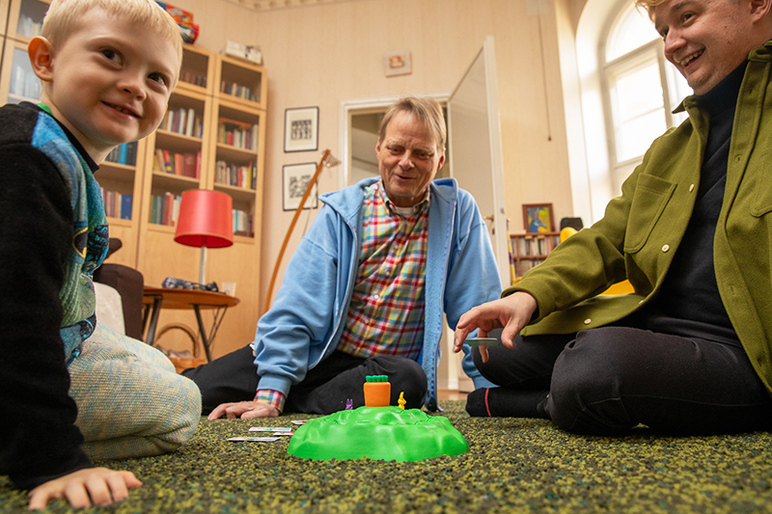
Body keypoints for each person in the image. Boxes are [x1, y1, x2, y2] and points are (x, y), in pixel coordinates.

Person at [453, 0, 772, 436]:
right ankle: (559, 392)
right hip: (654, 325)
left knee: (595, 366)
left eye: (687, 17)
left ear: (757, 5)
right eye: (662, 32)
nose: (672, 44)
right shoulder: (670, 149)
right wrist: (527, 296)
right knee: (497, 349)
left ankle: (544, 400)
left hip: (743, 352)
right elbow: (605, 238)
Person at [184, 96, 502, 419]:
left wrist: (491, 392)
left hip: (376, 372)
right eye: (396, 149)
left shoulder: (458, 213)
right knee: (188, 393)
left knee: (409, 381)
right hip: (313, 356)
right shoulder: (343, 212)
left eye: (422, 153)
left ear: (439, 160)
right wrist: (271, 392)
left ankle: (298, 403)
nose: (406, 162)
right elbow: (297, 305)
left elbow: (480, 314)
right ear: (379, 149)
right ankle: (295, 394)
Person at [0, 0, 201, 509]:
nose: (136, 85)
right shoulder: (28, 160)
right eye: (111, 55)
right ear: (44, 60)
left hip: (67, 338)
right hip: (21, 355)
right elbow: (15, 314)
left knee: (156, 359)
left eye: (157, 78)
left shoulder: (62, 153)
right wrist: (51, 459)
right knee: (182, 402)